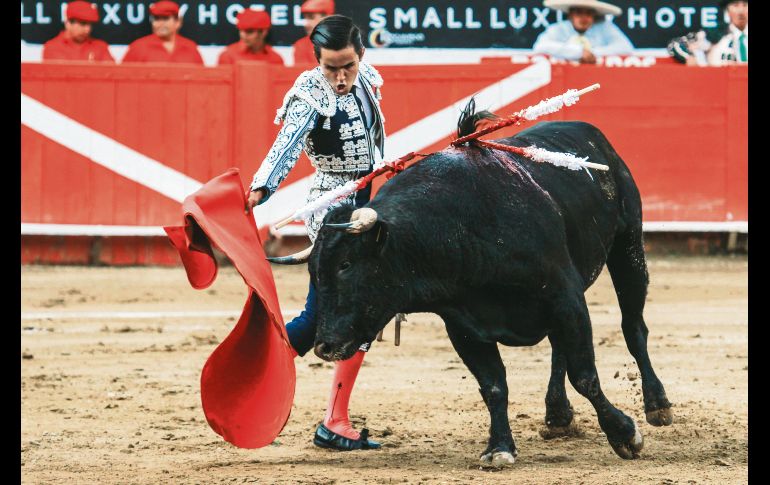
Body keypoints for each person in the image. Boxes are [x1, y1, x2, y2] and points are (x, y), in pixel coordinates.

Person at [244, 14, 386, 451]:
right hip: (331, 208)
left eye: (348, 66)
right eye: (330, 68)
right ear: (316, 61)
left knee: (363, 310)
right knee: (319, 313)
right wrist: (261, 188)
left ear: (361, 55)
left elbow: (376, 133)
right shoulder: (309, 94)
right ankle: (252, 384)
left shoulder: (368, 79)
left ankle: (335, 421)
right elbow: (284, 145)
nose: (340, 77)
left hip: (365, 200)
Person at [532, 0, 633, 63]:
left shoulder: (604, 27)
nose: (584, 18)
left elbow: (626, 48)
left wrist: (593, 53)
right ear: (570, 15)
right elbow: (540, 47)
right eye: (579, 13)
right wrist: (578, 52)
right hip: (565, 81)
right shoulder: (558, 28)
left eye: (588, 13)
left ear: (594, 16)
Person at [667, 0, 747, 66]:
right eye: (735, 5)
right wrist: (690, 57)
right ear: (727, 9)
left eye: (745, 5)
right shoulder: (715, 32)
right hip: (720, 81)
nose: (740, 11)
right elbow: (675, 44)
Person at [122, 1, 203, 65]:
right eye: (156, 19)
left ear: (178, 22)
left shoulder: (190, 48)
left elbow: (202, 81)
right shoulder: (138, 47)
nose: (160, 24)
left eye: (165, 19)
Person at [42, 1, 114, 62]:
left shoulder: (100, 47)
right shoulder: (53, 47)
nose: (87, 29)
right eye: (83, 24)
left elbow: (112, 74)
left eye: (90, 24)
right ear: (68, 24)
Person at [218, 9, 284, 65]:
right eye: (241, 30)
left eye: (249, 31)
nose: (243, 35)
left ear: (264, 32)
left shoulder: (276, 59)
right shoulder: (228, 56)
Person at [292, 0, 335, 65]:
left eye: (311, 18)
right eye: (305, 18)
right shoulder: (301, 45)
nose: (306, 24)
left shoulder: (346, 43)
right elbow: (305, 73)